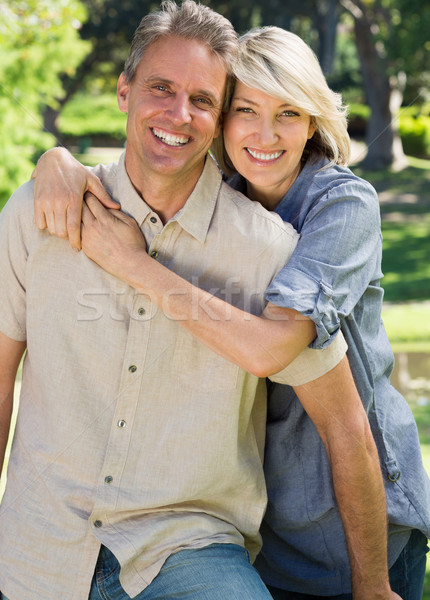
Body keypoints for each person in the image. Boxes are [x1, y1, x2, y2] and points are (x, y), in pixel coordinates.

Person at [0, 3, 388, 600]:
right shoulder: (38, 214)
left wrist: (374, 588)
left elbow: (345, 423)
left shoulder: (273, 251)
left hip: (189, 552)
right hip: (38, 546)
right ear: (124, 91)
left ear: (217, 119)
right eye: (161, 88)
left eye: (203, 101)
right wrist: (53, 161)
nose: (178, 115)